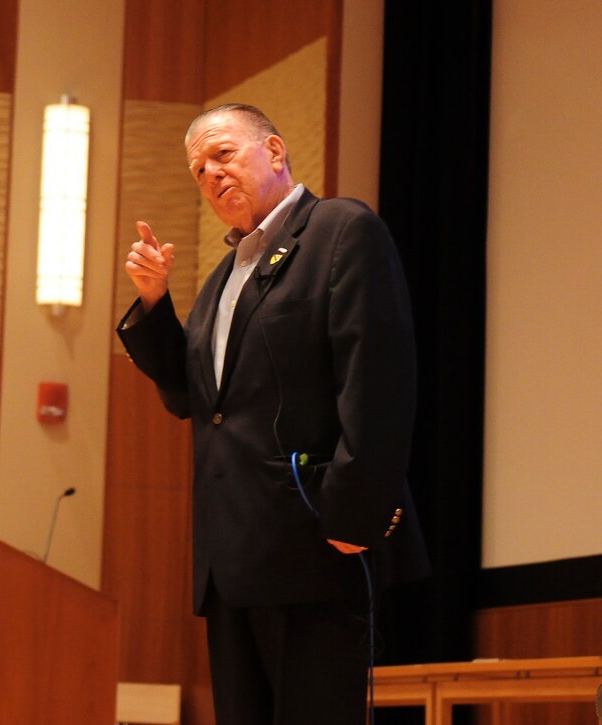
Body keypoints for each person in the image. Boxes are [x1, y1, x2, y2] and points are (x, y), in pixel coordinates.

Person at [117, 103, 429, 724]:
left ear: (276, 151)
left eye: (223, 154)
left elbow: (380, 380)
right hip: (233, 561)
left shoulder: (340, 230)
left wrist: (356, 514)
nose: (210, 174)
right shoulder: (221, 281)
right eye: (198, 168)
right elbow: (194, 400)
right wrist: (155, 306)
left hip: (318, 546)